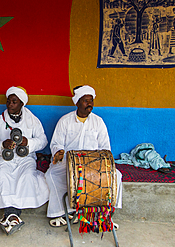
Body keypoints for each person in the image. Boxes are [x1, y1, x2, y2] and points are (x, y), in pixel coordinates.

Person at [45, 85, 123, 227]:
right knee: (51, 175)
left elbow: (105, 147)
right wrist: (58, 152)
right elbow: (56, 143)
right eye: (86, 101)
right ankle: (62, 212)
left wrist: (97, 162)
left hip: (93, 164)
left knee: (116, 175)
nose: (90, 104)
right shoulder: (65, 120)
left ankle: (106, 213)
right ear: (77, 103)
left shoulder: (98, 122)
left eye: (91, 101)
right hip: (69, 163)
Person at [0, 86, 49, 235]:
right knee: (3, 174)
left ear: (22, 104)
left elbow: (43, 141)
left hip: (25, 158)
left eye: (14, 102)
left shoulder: (32, 120)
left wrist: (28, 142)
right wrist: (3, 144)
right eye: (8, 101)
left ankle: (9, 215)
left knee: (27, 176)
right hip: (4, 158)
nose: (10, 104)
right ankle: (13, 216)